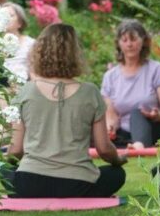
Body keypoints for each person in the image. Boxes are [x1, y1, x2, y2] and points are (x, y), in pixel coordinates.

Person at [7, 23, 127, 198]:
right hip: (78, 184)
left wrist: (10, 166)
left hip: (29, 184)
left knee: (2, 170)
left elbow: (16, 150)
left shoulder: (27, 91)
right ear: (76, 53)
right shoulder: (90, 91)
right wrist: (118, 160)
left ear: (39, 52)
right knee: (117, 174)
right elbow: (104, 149)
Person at [101, 19, 160, 147]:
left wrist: (156, 116)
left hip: (154, 128)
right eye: (125, 40)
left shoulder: (156, 69)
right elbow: (111, 115)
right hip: (124, 133)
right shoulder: (110, 77)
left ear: (143, 41)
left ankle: (139, 146)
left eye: (134, 39)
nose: (129, 44)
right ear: (118, 44)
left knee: (136, 114)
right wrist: (110, 128)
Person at [1, 2, 36, 85]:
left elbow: (34, 72)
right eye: (3, 15)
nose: (6, 18)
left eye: (11, 15)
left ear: (20, 22)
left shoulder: (31, 44)